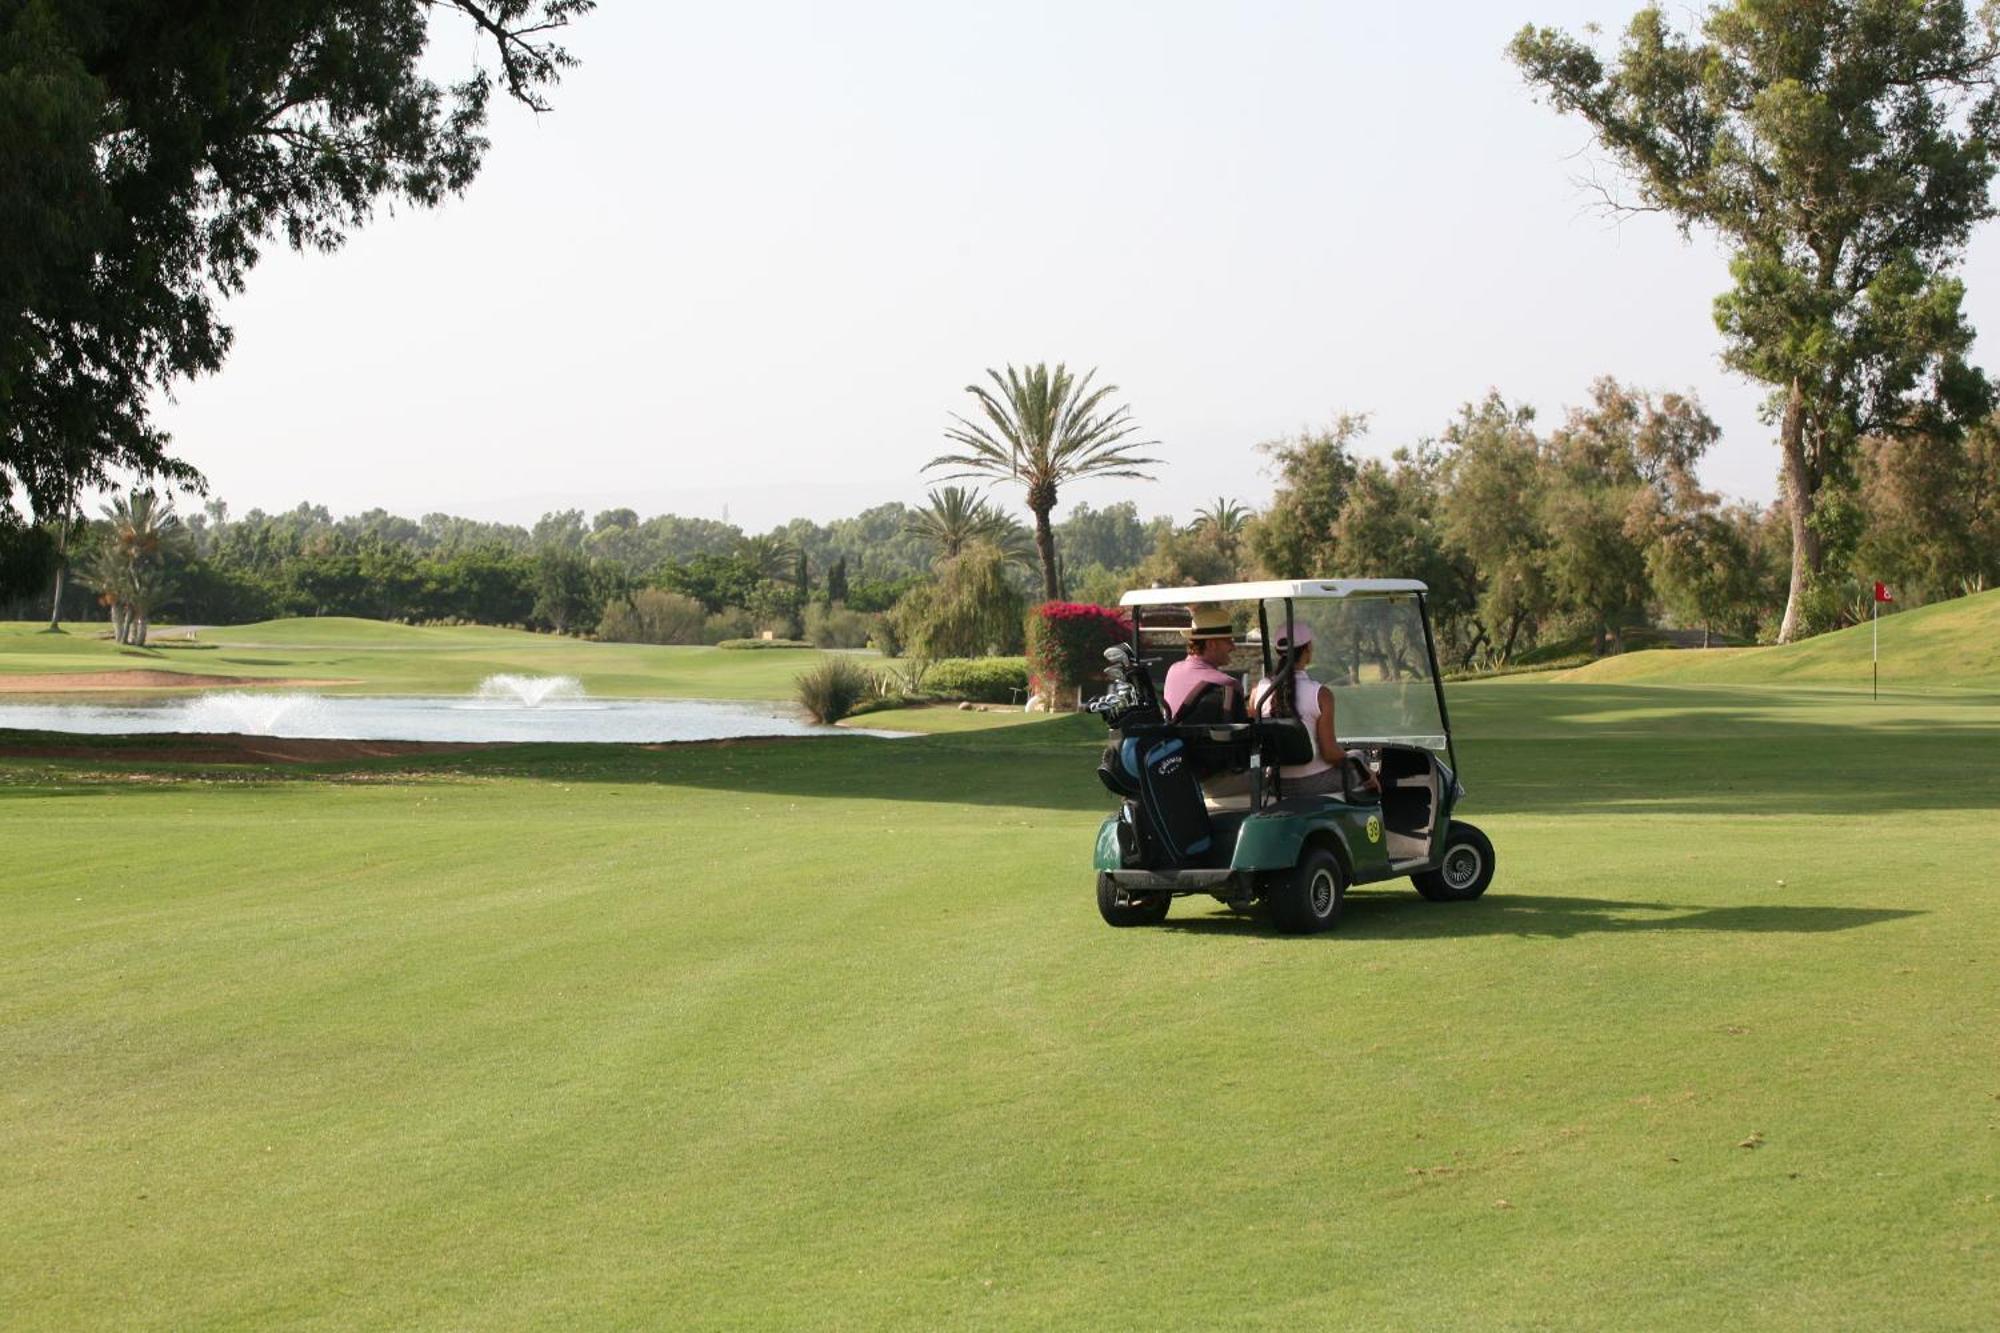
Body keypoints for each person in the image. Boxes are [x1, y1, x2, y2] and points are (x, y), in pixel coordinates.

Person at [1249, 621, 1375, 798]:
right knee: (1360, 758)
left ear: (1279, 652)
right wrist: (1362, 767)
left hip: (1276, 784)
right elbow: (1330, 754)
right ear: (1307, 649)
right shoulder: (1321, 694)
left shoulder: (1257, 692)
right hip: (1315, 783)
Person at [1162, 611, 1245, 723]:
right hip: (1205, 740)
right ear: (1211, 644)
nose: (1233, 647)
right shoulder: (1228, 685)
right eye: (1229, 641)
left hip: (1173, 738)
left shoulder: (1173, 670)